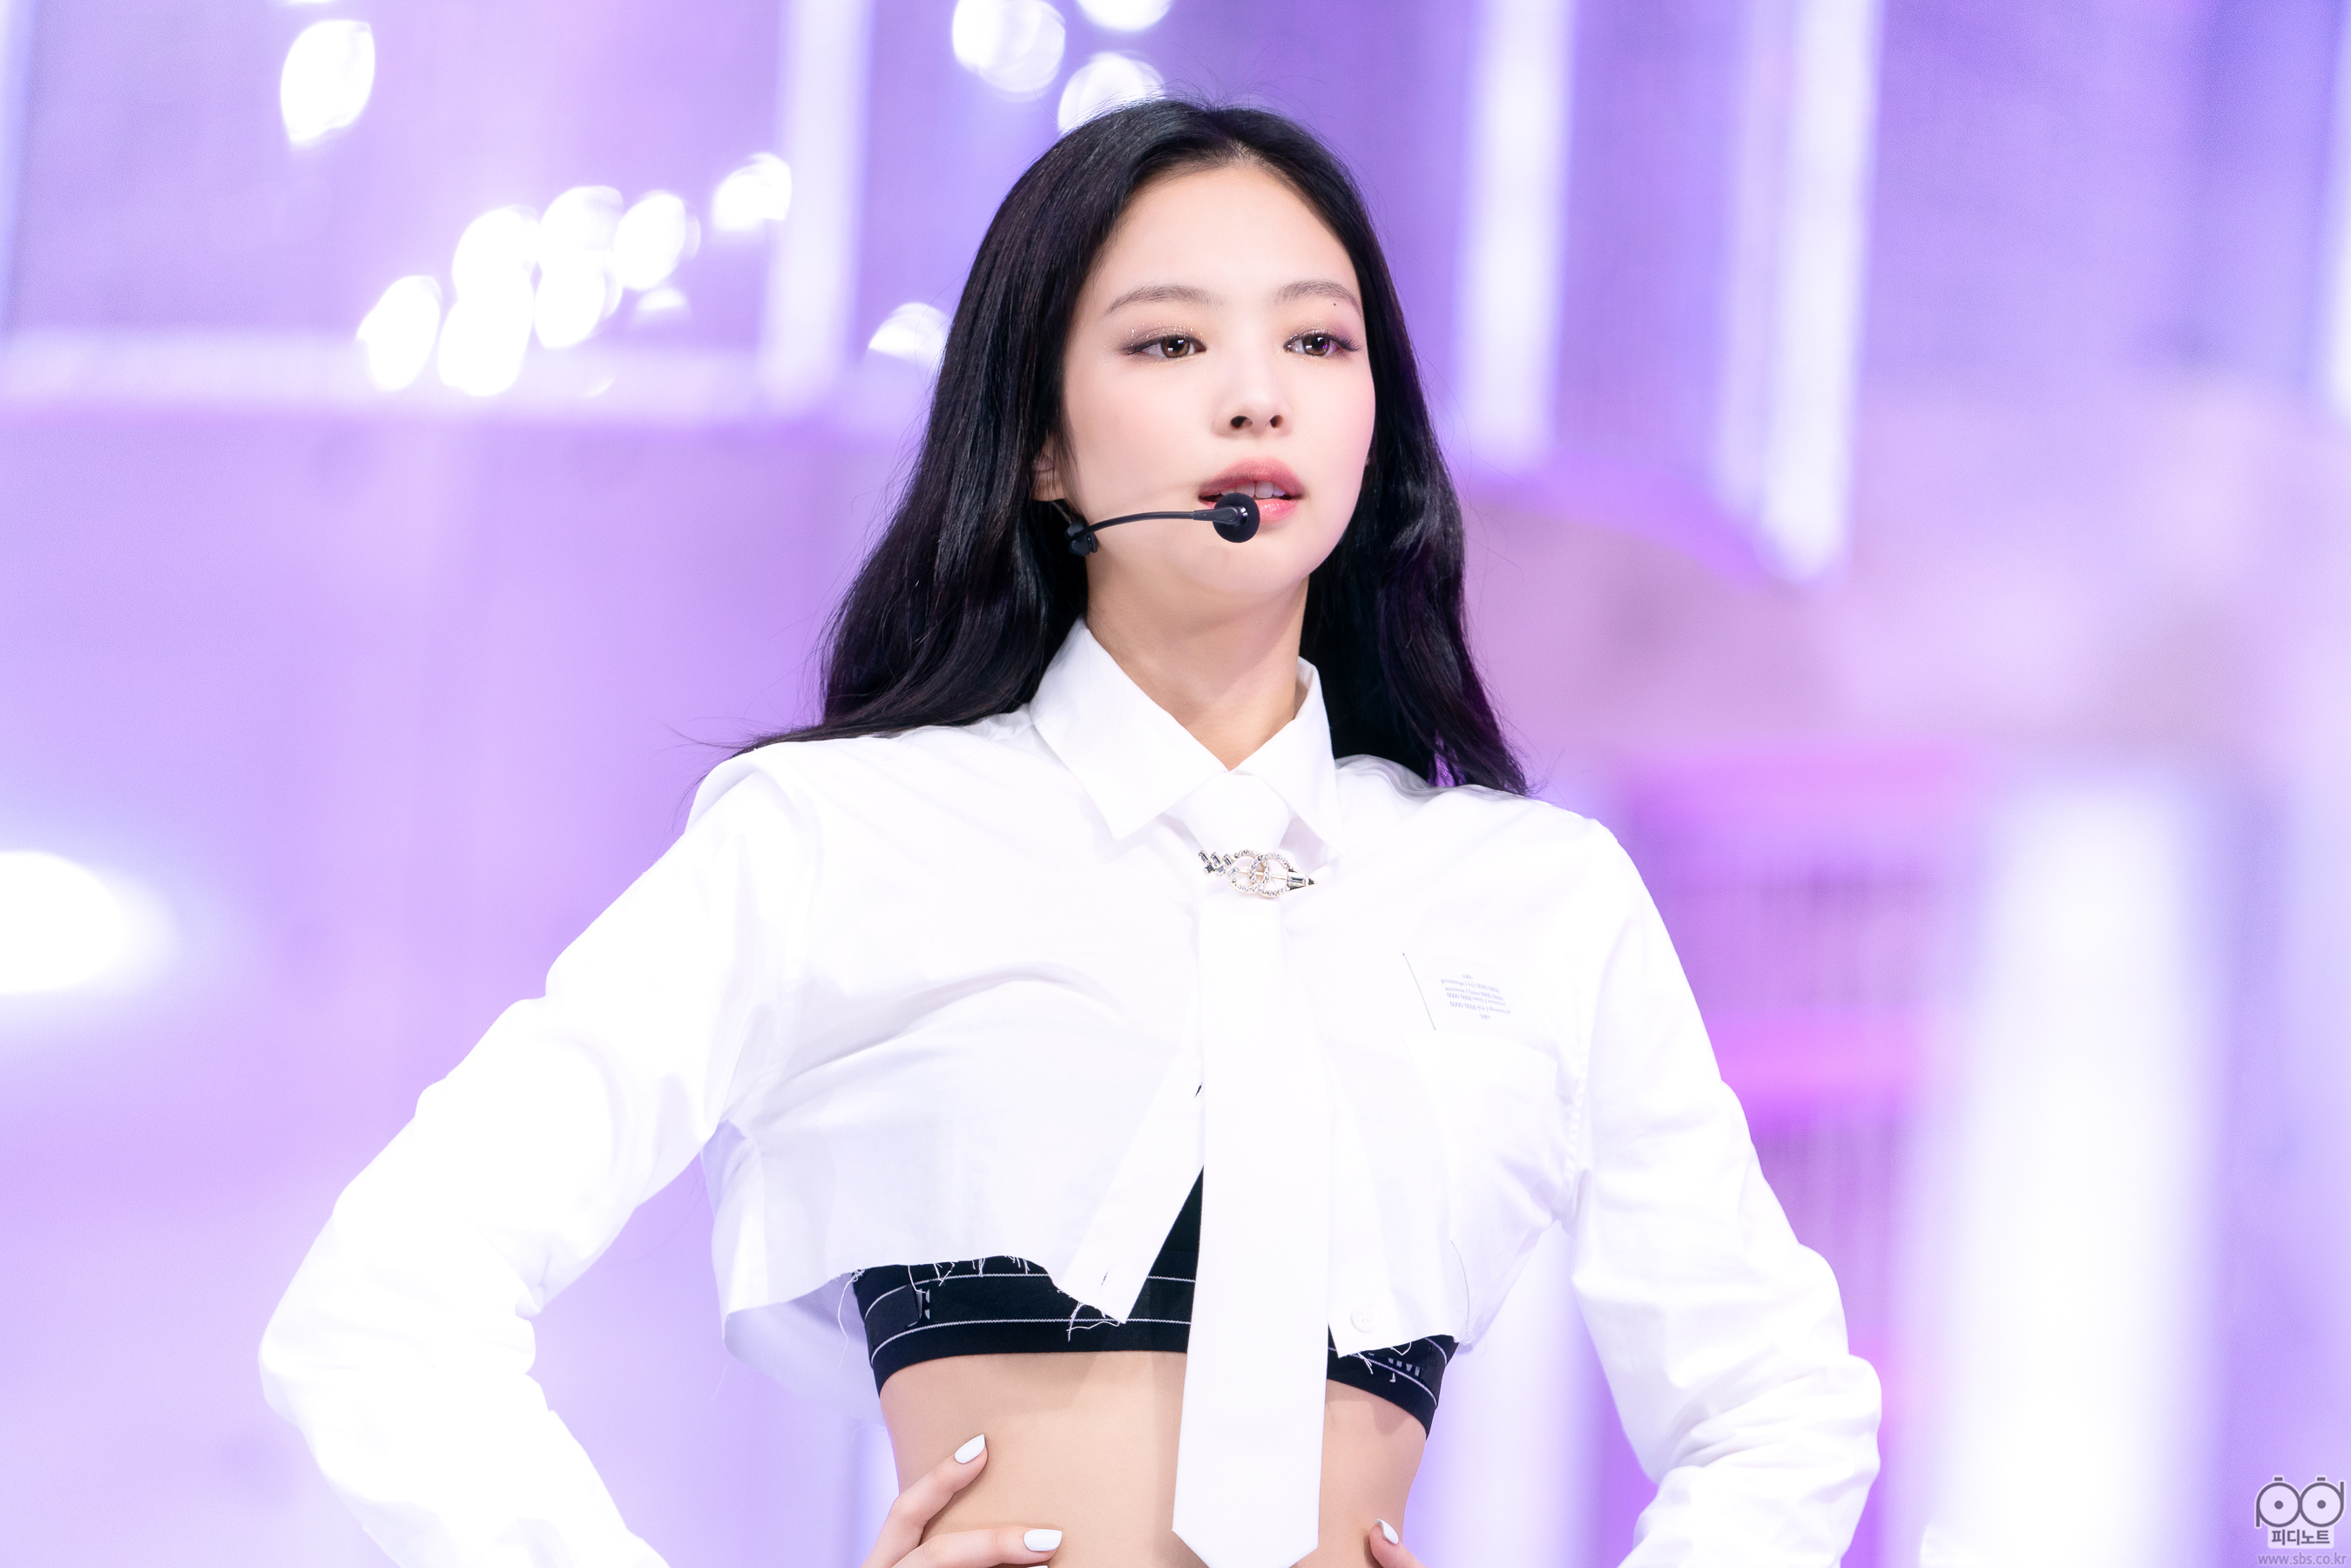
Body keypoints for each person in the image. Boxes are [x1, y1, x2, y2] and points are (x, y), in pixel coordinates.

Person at [260, 98, 1881, 1568]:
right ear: (1040, 442)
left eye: (1318, 343)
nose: (1258, 394)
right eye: (1170, 342)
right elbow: (385, 1306)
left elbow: (1782, 1410)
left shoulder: (1535, 895)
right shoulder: (840, 836)